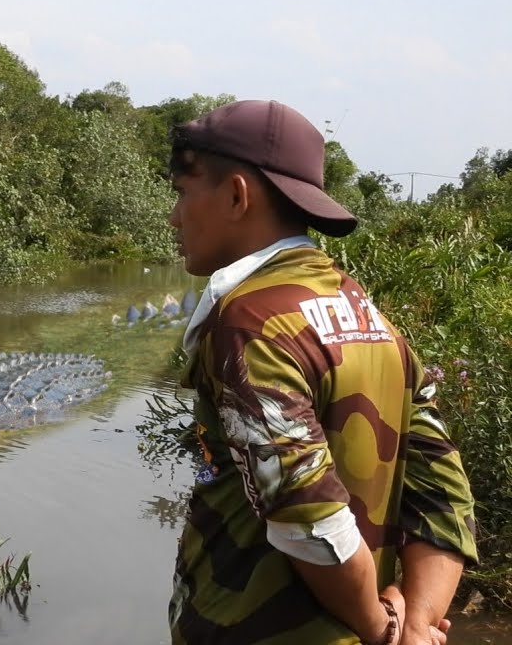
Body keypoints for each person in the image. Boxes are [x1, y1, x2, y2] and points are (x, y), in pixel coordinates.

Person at [165, 100, 478, 645]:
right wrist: (419, 624)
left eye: (183, 192)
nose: (174, 216)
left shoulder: (250, 323)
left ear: (238, 195)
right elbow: (443, 491)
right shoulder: (369, 315)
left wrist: (380, 629)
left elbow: (308, 517)